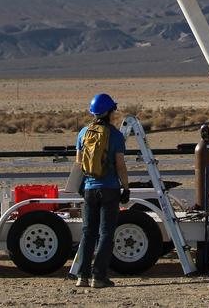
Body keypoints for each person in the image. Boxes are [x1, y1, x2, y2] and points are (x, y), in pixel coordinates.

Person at [75, 92, 129, 288]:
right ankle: (99, 277)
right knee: (106, 233)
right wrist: (126, 187)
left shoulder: (83, 133)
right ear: (109, 112)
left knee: (88, 232)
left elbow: (79, 163)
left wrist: (82, 186)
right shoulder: (115, 135)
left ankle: (82, 276)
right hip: (109, 189)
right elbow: (120, 165)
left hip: (89, 188)